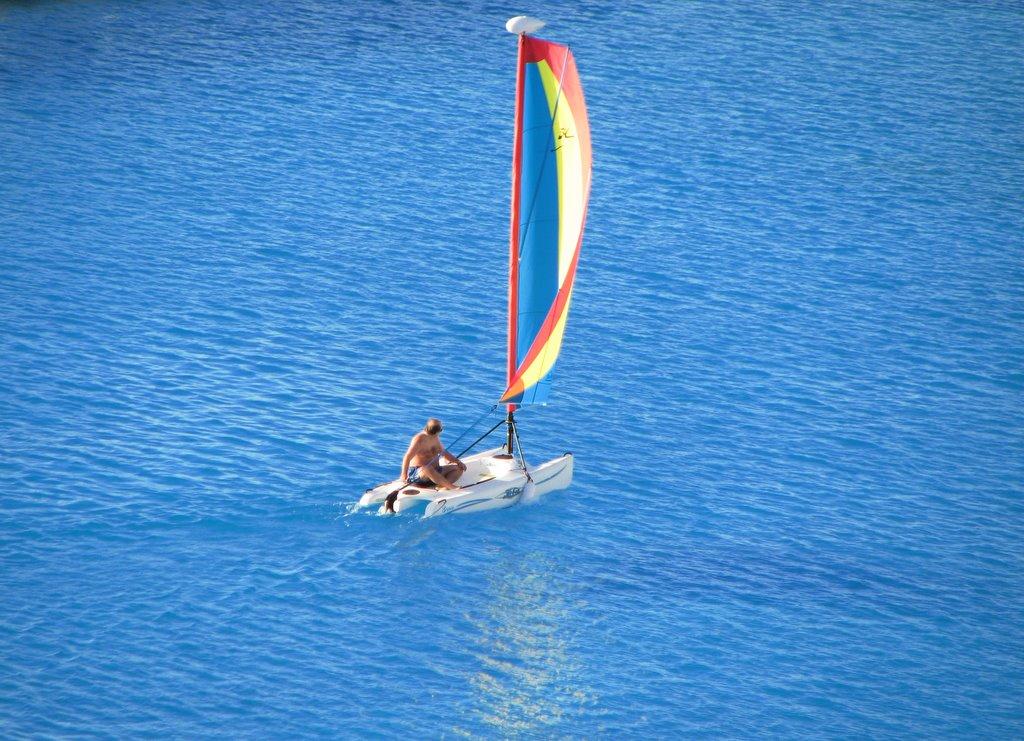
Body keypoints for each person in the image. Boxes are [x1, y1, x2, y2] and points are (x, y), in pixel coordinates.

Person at [400, 418, 466, 490]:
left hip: (436, 471)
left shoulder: (435, 438)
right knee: (427, 468)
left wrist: (458, 461)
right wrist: (404, 475)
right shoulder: (419, 439)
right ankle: (451, 487)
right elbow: (407, 457)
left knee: (459, 468)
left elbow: (444, 453)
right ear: (438, 431)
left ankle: (442, 486)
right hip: (420, 474)